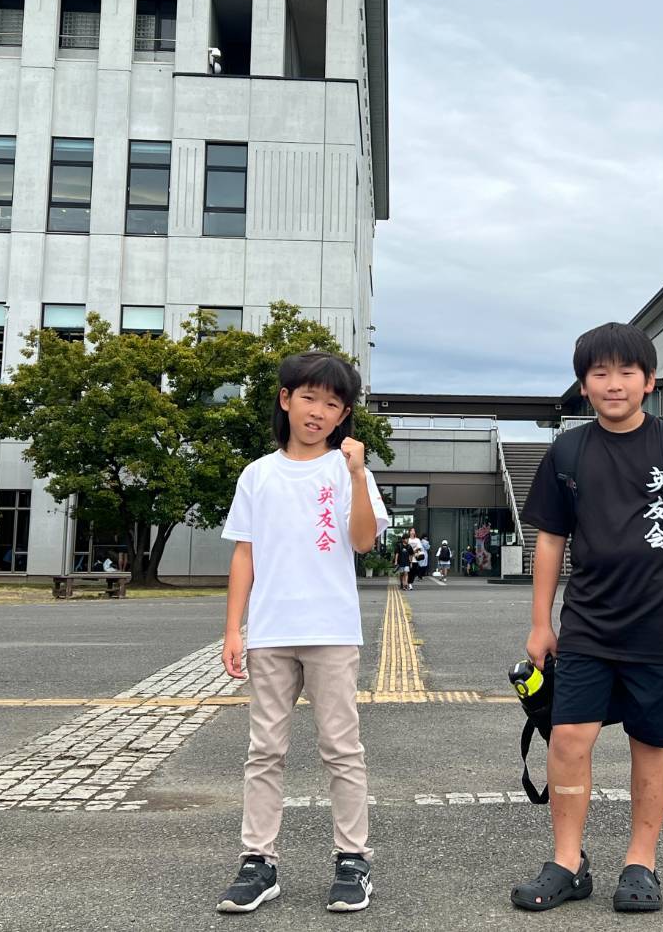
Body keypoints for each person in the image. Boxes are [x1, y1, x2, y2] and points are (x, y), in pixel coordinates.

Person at [510, 322, 663, 914]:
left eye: (626, 372)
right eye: (600, 373)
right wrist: (541, 623)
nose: (613, 384)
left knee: (652, 743)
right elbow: (550, 540)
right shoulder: (568, 451)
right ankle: (568, 862)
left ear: (649, 381)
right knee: (568, 738)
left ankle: (641, 861)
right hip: (588, 623)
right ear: (583, 385)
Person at [216, 350, 389, 915]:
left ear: (344, 415)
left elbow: (362, 541)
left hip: (331, 630)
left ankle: (353, 859)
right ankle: (258, 861)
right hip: (270, 631)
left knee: (341, 747)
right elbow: (244, 554)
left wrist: (357, 474)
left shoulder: (349, 471)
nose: (318, 412)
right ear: (286, 399)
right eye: (309, 398)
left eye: (332, 404)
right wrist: (233, 629)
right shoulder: (257, 474)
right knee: (264, 750)